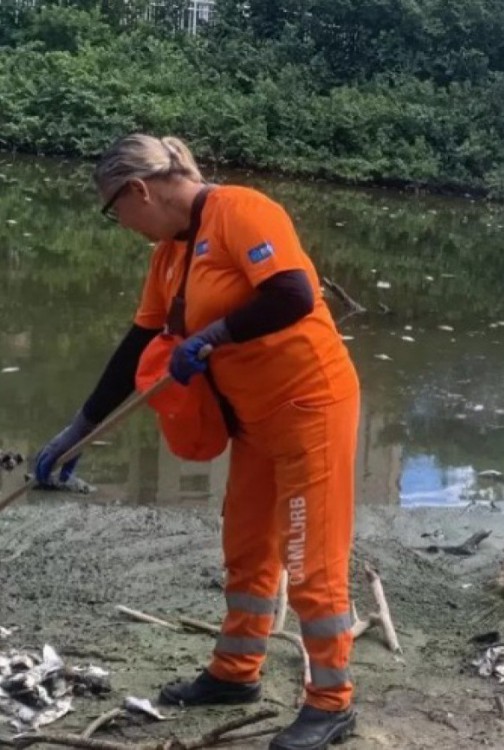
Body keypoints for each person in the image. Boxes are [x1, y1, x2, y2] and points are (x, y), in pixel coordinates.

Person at [32, 134, 362, 749]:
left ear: (139, 192)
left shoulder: (243, 211)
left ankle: (332, 703)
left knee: (310, 562)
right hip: (254, 420)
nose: (121, 224)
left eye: (114, 211)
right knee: (246, 548)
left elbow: (293, 292)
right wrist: (78, 430)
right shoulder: (168, 257)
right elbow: (138, 344)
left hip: (310, 407)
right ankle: (236, 674)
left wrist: (213, 335)